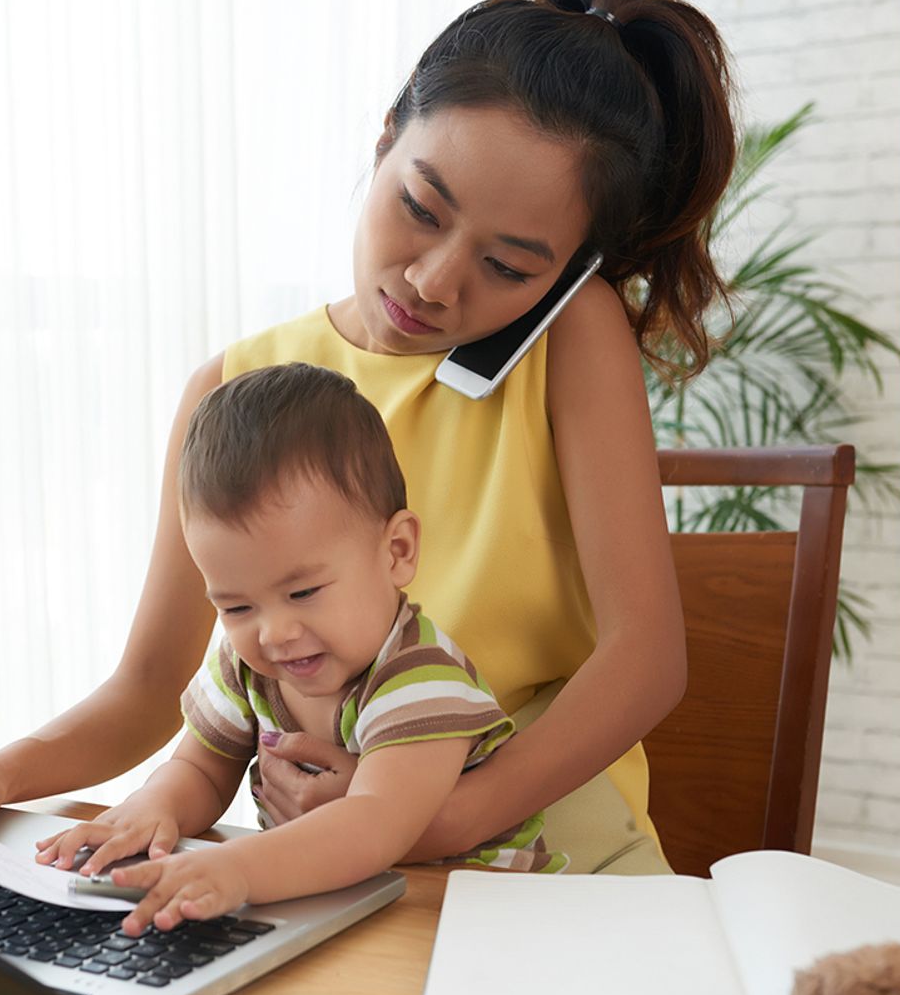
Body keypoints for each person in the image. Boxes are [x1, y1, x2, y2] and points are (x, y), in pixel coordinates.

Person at [0, 0, 736, 880]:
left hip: (549, 873)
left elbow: (646, 659)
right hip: (331, 874)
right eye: (420, 209)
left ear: (564, 271)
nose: (436, 281)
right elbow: (150, 692)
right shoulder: (231, 387)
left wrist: (441, 816)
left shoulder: (574, 339)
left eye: (511, 268)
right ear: (384, 142)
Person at [34, 363, 563, 933]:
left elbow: (373, 824)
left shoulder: (420, 679)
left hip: (479, 915)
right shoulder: (248, 667)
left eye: (303, 591)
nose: (273, 633)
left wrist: (235, 867)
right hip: (347, 898)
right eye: (236, 607)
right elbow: (202, 771)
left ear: (398, 550)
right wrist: (150, 809)